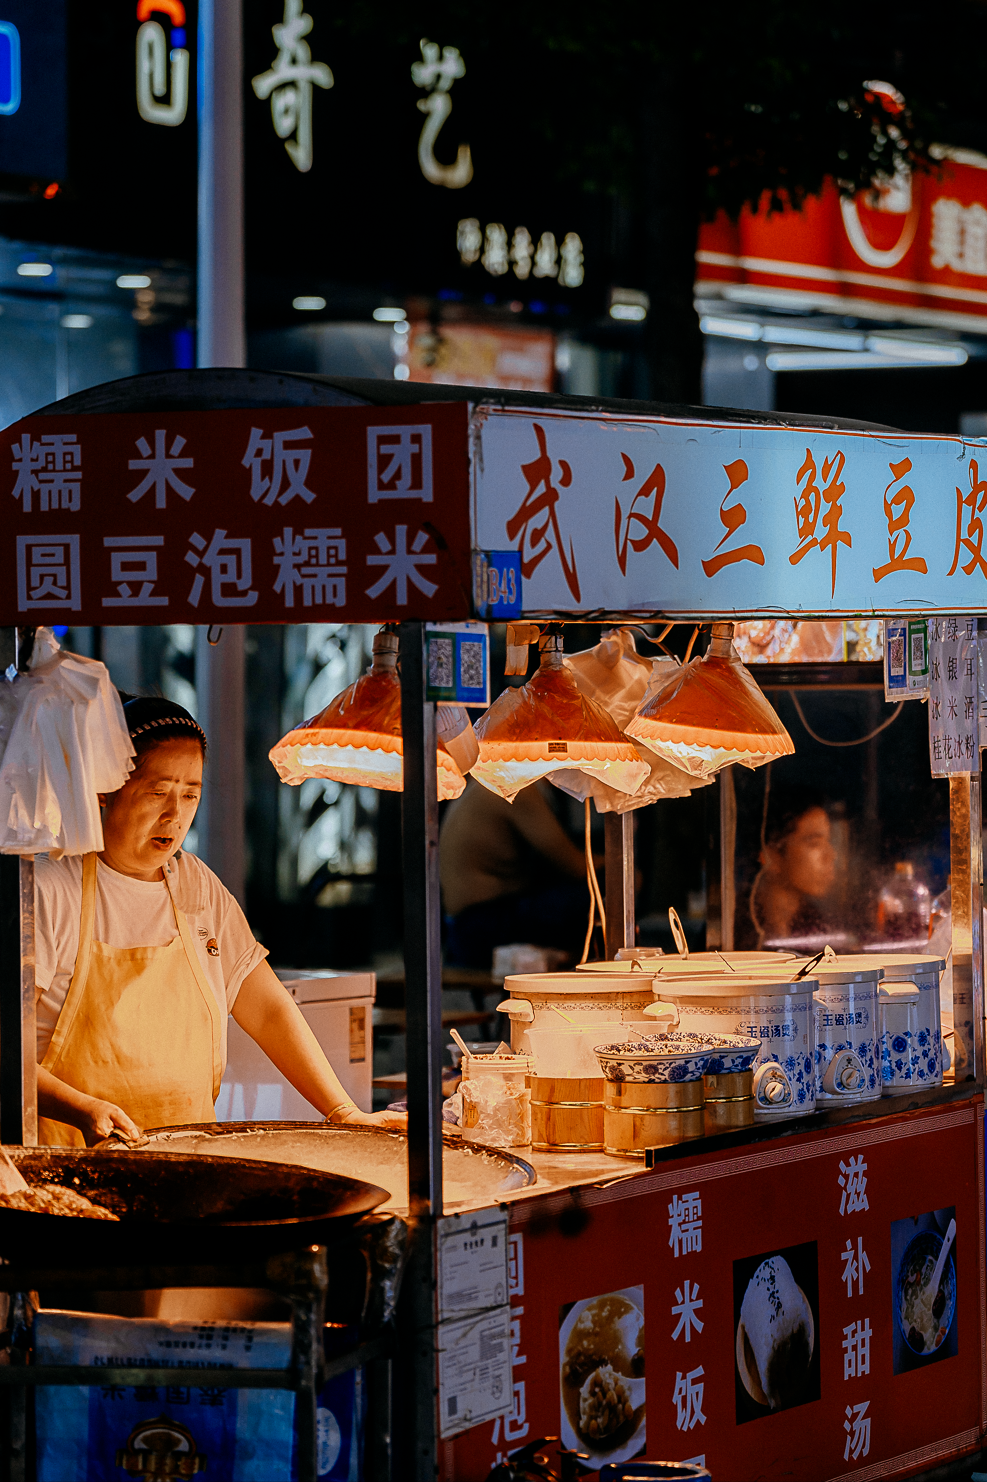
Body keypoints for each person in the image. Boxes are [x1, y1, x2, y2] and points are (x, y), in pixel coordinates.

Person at [34, 696, 402, 1146]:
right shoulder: (50, 886)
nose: (175, 814)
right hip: (70, 1166)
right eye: (157, 792)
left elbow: (267, 1010)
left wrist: (343, 1111)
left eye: (190, 794)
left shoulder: (195, 885)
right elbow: (1, 1051)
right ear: (104, 789)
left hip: (189, 1163)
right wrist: (81, 1108)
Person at [440, 777, 593, 968]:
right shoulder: (514, 786)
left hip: (461, 929)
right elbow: (576, 867)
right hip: (482, 928)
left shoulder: (490, 780)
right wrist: (618, 864)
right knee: (605, 887)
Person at [748, 784, 837, 948]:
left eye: (828, 841)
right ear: (771, 856)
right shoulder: (731, 926)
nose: (830, 855)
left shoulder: (821, 929)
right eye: (815, 843)